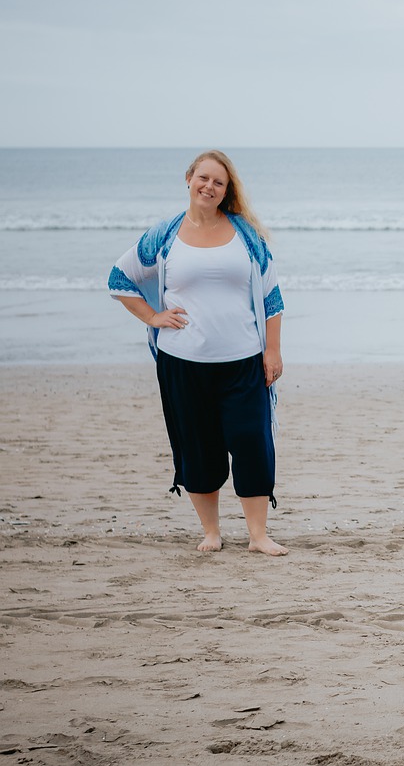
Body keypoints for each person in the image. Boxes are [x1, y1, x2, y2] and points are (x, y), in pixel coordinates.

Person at [108, 150, 287, 557]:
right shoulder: (166, 234)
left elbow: (272, 297)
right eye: (203, 178)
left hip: (243, 361)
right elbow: (120, 279)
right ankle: (212, 532)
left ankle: (258, 536)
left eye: (218, 182)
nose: (209, 186)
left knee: (252, 443)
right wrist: (153, 317)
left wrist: (272, 351)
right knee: (198, 446)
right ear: (188, 178)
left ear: (227, 191)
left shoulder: (247, 236)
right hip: (183, 363)